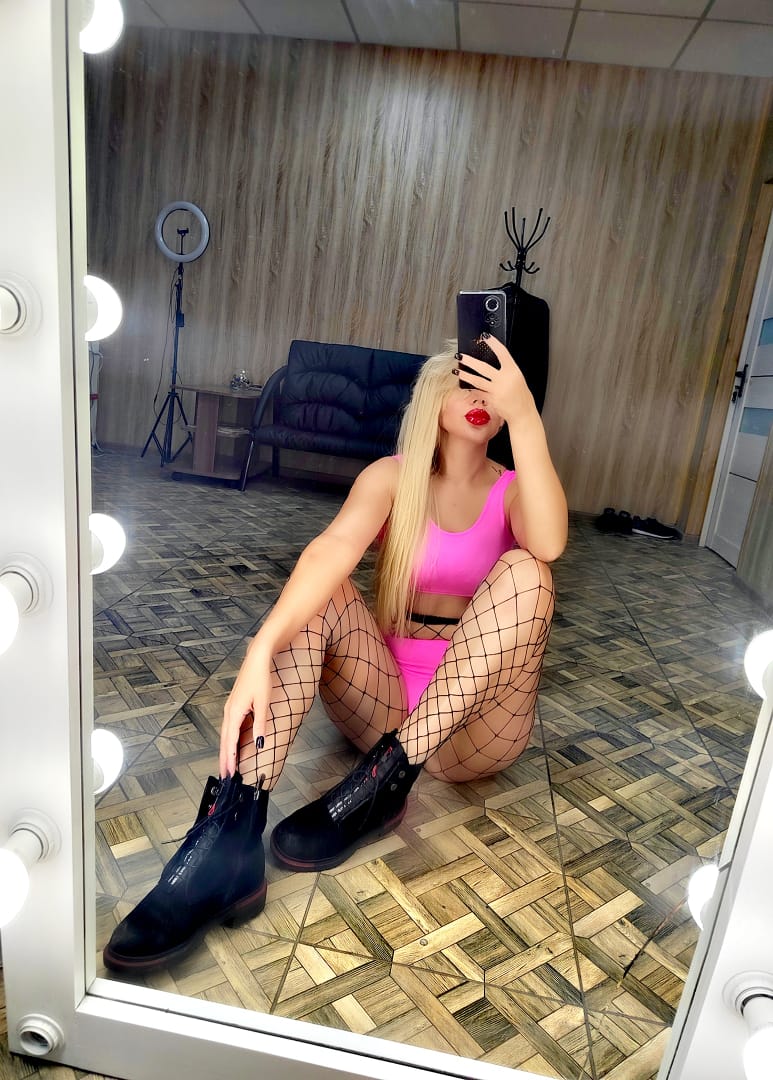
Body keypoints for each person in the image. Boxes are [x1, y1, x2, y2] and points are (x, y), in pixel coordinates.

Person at [103, 332, 568, 973]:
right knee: (325, 594)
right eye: (466, 383)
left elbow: (549, 540)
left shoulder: (513, 489)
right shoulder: (391, 478)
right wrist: (262, 648)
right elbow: (331, 550)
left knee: (530, 571)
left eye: (493, 387)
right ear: (434, 398)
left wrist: (527, 416)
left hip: (475, 730)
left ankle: (383, 785)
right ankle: (228, 843)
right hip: (385, 703)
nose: (480, 397)